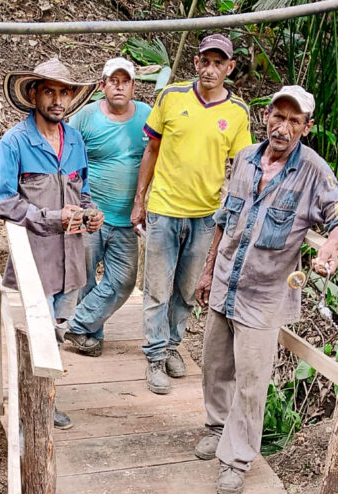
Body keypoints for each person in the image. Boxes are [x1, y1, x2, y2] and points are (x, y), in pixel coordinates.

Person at [194, 85, 338, 494]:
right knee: (214, 366)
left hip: (264, 294)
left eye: (294, 120)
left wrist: (329, 246)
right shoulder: (247, 157)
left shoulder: (314, 171)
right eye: (278, 116)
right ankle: (217, 426)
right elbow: (223, 219)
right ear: (266, 115)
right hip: (225, 280)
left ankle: (236, 459)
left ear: (308, 127)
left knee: (251, 381)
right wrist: (208, 268)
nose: (283, 127)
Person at [132, 34, 251, 395]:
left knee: (185, 290)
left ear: (229, 68)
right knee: (156, 287)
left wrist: (235, 214)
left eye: (220, 63)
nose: (211, 69)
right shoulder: (171, 97)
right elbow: (152, 149)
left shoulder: (237, 112)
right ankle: (154, 356)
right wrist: (140, 199)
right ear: (196, 63)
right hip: (165, 208)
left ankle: (171, 346)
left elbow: (243, 166)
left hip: (205, 217)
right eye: (206, 61)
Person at [0, 58, 104, 429]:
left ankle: (43, 400)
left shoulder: (75, 140)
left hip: (71, 259)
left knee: (54, 331)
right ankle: (30, 407)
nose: (58, 99)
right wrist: (50, 217)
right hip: (35, 259)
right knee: (32, 335)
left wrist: (91, 214)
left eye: (64, 92)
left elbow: (82, 192)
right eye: (50, 91)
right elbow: (2, 201)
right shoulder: (16, 141)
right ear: (34, 94)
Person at [63, 57, 151, 357]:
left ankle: (74, 326)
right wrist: (73, 203)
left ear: (133, 86)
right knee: (84, 277)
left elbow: (158, 155)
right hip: (91, 215)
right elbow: (67, 157)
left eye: (125, 81)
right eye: (113, 80)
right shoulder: (86, 118)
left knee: (124, 280)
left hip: (128, 217)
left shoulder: (147, 117)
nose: (119, 86)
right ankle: (89, 335)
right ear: (103, 85)